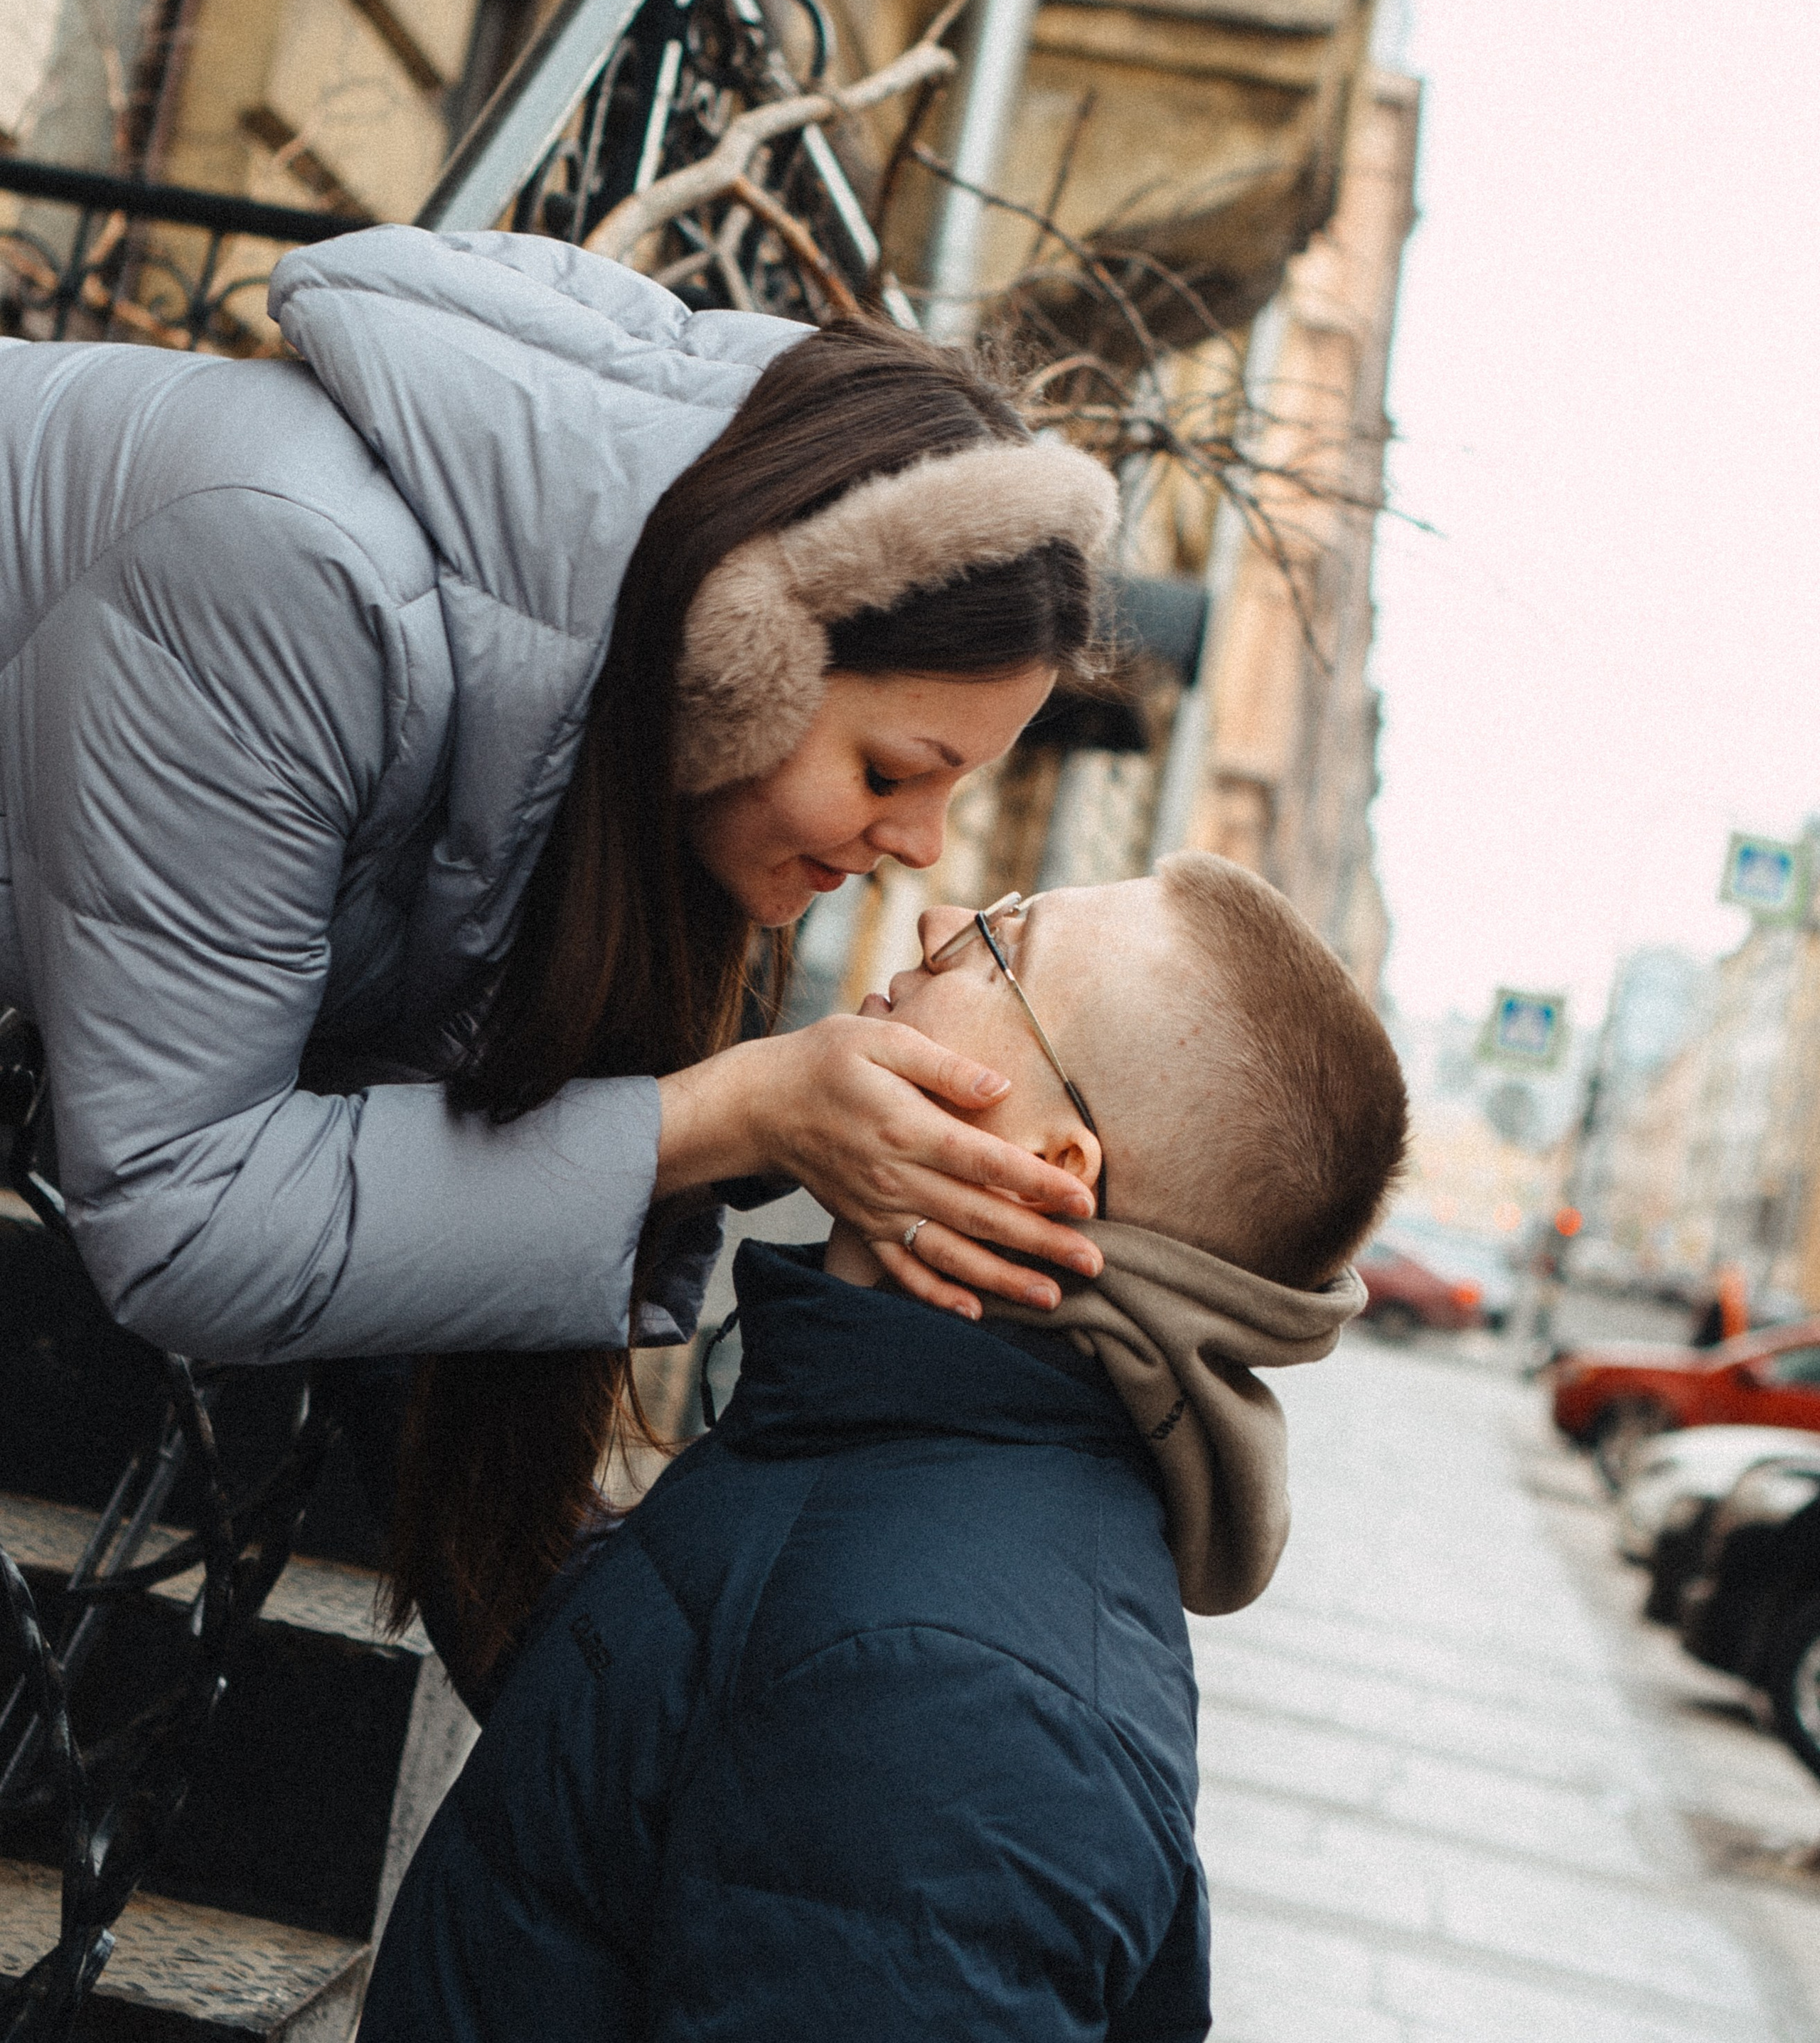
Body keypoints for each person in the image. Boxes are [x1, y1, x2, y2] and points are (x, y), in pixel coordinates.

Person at [0, 226, 1119, 1692]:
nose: (918, 844)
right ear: (742, 657)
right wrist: (721, 1115)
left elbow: (396, 1134)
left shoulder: (568, 714)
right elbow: (185, 1213)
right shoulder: (292, 574)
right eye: (895, 769)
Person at [358, 856, 1408, 2042]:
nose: (940, 915)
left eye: (1005, 943)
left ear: (1049, 1170)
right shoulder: (892, 1460)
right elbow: (635, 1728)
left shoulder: (966, 1702)